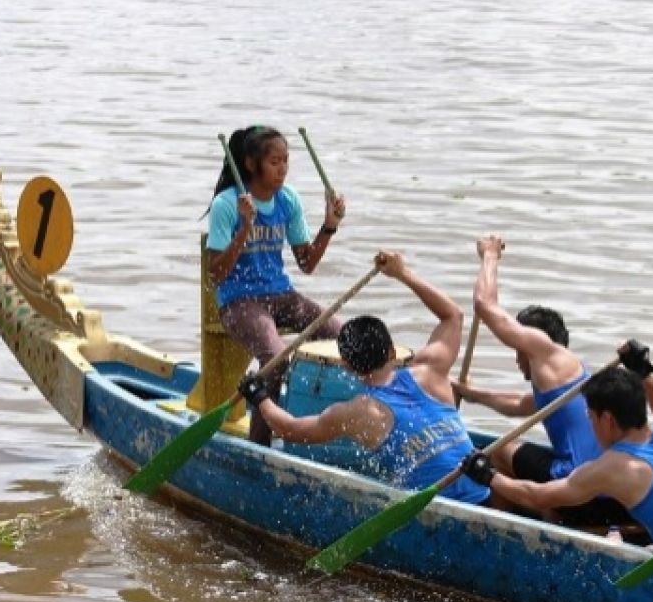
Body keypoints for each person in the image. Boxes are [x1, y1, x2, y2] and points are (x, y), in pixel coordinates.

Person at [237, 251, 492, 506]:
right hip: (487, 489)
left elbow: (290, 430)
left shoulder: (356, 412)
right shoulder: (430, 370)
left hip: (438, 503)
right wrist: (403, 273)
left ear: (347, 367)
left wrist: (258, 395)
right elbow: (453, 316)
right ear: (392, 352)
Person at [461, 346, 653, 562]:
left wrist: (488, 476)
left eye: (590, 418)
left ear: (607, 420)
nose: (590, 425)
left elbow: (537, 495)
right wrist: (644, 371)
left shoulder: (614, 467)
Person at [452, 234, 614, 524]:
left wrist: (489, 256)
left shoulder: (547, 354)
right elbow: (520, 404)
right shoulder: (567, 377)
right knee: (514, 450)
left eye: (519, 350)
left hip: (575, 487)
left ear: (535, 343)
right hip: (604, 489)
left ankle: (500, 525)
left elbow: (484, 306)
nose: (517, 359)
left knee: (497, 452)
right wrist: (473, 393)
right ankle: (547, 513)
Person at [206, 125, 347, 445]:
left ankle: (321, 428)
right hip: (239, 301)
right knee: (276, 358)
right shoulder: (227, 205)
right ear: (251, 165)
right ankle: (260, 445)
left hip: (282, 296)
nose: (282, 169)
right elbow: (215, 276)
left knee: (345, 337)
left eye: (286, 161)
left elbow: (307, 264)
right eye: (274, 162)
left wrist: (329, 225)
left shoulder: (288, 199)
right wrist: (244, 228)